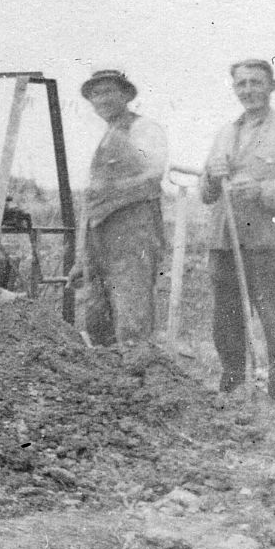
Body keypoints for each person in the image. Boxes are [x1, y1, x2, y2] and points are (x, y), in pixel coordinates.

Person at [198, 59, 275, 411]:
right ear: (234, 89)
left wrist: (260, 191)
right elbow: (206, 194)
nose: (249, 90)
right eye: (242, 84)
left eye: (256, 82)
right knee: (226, 324)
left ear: (272, 86)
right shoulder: (225, 133)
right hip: (225, 243)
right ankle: (234, 396)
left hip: (270, 246)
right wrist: (211, 174)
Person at [75, 68, 169, 346]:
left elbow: (153, 176)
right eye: (95, 94)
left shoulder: (143, 128)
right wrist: (82, 257)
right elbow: (91, 202)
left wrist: (111, 191)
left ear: (126, 95)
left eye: (108, 92)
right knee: (97, 320)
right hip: (100, 239)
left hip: (132, 237)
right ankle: (108, 387)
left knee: (132, 320)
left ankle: (138, 383)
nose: (101, 99)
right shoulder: (105, 136)